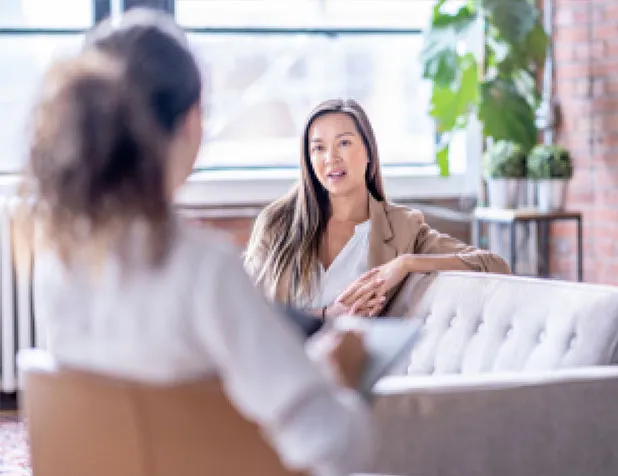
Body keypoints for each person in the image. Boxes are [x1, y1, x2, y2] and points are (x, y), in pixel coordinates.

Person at [24, 10, 373, 476]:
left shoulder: (58, 261)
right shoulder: (204, 269)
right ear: (191, 122)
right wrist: (336, 378)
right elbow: (337, 445)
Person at [245, 98, 511, 320]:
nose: (331, 158)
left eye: (344, 143)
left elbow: (495, 265)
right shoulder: (277, 222)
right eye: (318, 148)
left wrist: (406, 263)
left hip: (362, 374)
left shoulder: (401, 226)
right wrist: (328, 315)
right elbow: (245, 313)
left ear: (369, 151)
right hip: (285, 369)